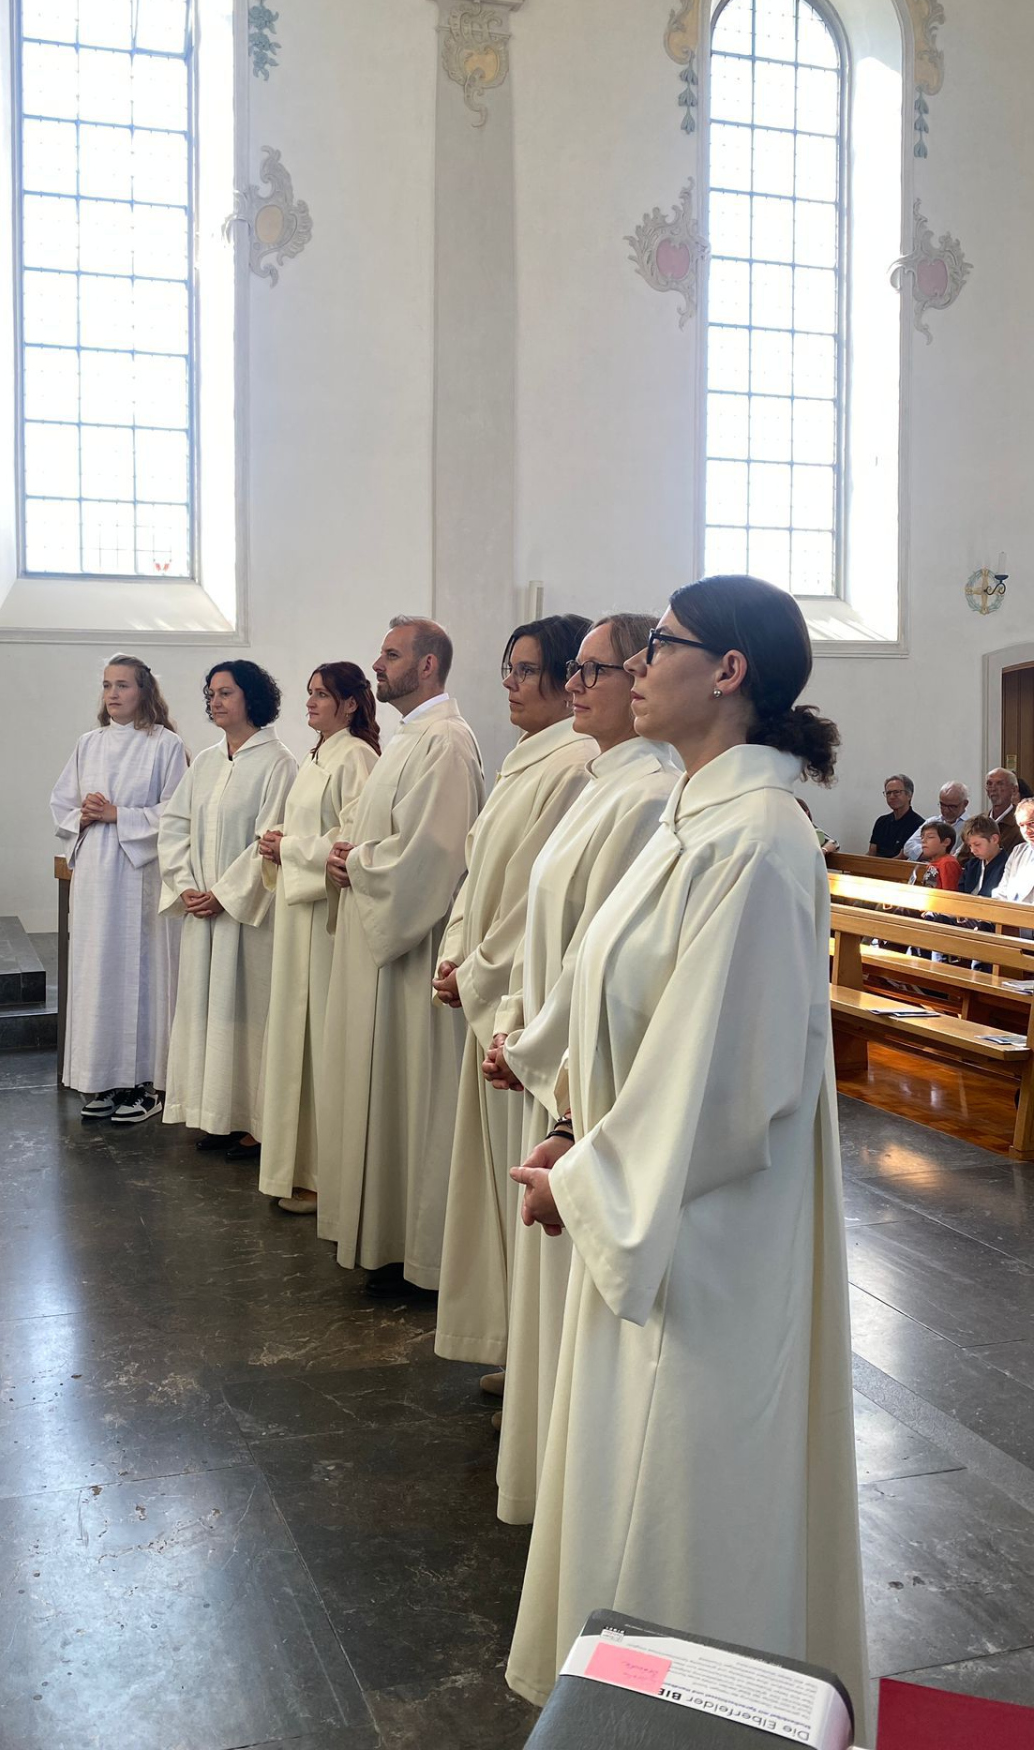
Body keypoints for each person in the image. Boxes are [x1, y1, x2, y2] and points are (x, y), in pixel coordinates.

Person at [504, 573, 867, 1734]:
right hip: (646, 1202)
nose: (633, 665)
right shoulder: (694, 815)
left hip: (707, 1241)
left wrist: (584, 1179)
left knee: (681, 1495)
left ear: (728, 672)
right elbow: (628, 1003)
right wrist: (574, 1122)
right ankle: (619, 1707)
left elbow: (721, 1083)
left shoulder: (758, 840)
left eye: (658, 644)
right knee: (631, 1474)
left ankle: (691, 1720)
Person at [477, 616, 677, 1525]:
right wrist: (519, 1029)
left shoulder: (646, 796)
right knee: (547, 1294)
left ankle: (572, 1481)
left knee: (574, 1294)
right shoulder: (604, 783)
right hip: (554, 1059)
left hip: (586, 1081)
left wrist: (535, 1051)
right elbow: (555, 936)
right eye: (577, 670)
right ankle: (546, 1444)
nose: (577, 685)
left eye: (594, 670)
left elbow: (608, 962)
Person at [432, 614, 597, 1369]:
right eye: (509, 667)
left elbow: (536, 902)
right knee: (495, 1189)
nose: (509, 682)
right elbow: (478, 876)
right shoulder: (525, 760)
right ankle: (510, 1347)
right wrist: (456, 955)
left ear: (567, 680)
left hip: (522, 1010)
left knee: (519, 1185)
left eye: (526, 669)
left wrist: (478, 974)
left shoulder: (574, 765)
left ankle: (531, 1362)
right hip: (493, 994)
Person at [319, 617, 484, 1293]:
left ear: (428, 666)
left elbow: (433, 854)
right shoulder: (410, 738)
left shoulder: (445, 741)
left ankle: (415, 1253)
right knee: (378, 1093)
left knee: (410, 1096)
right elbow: (384, 835)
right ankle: (381, 1236)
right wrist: (348, 856)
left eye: (391, 655)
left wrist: (356, 862)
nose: (377, 664)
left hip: (411, 954)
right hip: (376, 940)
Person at [255, 663, 380, 1213]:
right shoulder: (316, 756)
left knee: (320, 1041)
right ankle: (295, 1165)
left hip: (325, 920)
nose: (310, 702)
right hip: (297, 915)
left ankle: (326, 1176)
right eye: (309, 693)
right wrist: (280, 840)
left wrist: (288, 848)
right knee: (294, 1038)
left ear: (350, 704)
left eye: (322, 694)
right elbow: (314, 830)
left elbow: (352, 841)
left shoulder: (356, 757)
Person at [159, 661, 297, 1152]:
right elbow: (174, 826)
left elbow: (271, 838)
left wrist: (225, 893)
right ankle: (214, 1113)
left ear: (252, 698)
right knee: (207, 1013)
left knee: (247, 1013)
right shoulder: (207, 762)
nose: (215, 702)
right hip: (202, 910)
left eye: (226, 693)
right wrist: (186, 885)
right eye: (211, 694)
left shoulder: (278, 763)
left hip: (247, 916)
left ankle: (253, 1121)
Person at [50, 656, 188, 1121]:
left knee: (143, 973)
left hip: (140, 874)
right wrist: (85, 813)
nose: (112, 693)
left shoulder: (165, 744)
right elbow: (61, 805)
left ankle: (147, 1085)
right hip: (96, 874)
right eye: (107, 685)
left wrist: (119, 815)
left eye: (123, 685)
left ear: (144, 691)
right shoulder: (88, 744)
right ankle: (105, 1079)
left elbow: (178, 812)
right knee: (99, 971)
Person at [902, 781, 969, 861]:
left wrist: (924, 852)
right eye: (942, 805)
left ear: (965, 804)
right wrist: (935, 853)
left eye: (952, 806)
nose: (946, 810)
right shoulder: (932, 822)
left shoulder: (970, 827)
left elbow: (957, 858)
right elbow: (908, 847)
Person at [868, 774, 922, 858]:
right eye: (888, 793)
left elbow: (905, 858)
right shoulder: (881, 822)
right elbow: (871, 853)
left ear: (909, 795)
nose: (892, 797)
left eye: (897, 792)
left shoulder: (920, 825)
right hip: (876, 865)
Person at [993, 798, 1034, 906]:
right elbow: (1002, 891)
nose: (1027, 831)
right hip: (1010, 913)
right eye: (1022, 825)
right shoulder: (1018, 851)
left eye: (1031, 823)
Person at [958, 815, 1009, 900]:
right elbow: (960, 892)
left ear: (994, 839)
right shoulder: (971, 865)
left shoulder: (1008, 865)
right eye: (970, 846)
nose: (972, 850)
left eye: (977, 844)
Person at [981, 768, 1022, 856]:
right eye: (989, 784)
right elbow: (963, 857)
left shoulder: (1022, 823)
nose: (993, 788)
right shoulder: (979, 821)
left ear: (1014, 790)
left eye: (1000, 784)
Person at [910, 821, 960, 892]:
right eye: (922, 837)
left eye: (930, 837)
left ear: (946, 842)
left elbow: (950, 893)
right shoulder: (932, 863)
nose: (923, 841)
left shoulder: (947, 863)